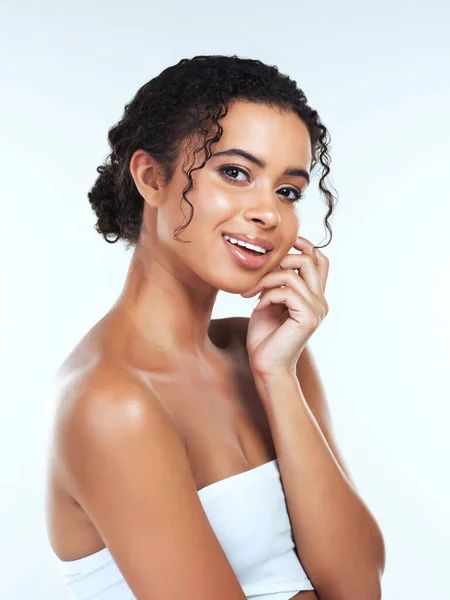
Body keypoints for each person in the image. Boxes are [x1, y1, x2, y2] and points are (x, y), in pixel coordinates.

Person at [45, 54, 385, 600]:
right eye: (235, 173)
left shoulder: (266, 356)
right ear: (152, 178)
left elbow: (360, 585)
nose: (268, 213)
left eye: (288, 190)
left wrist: (277, 376)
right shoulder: (111, 403)